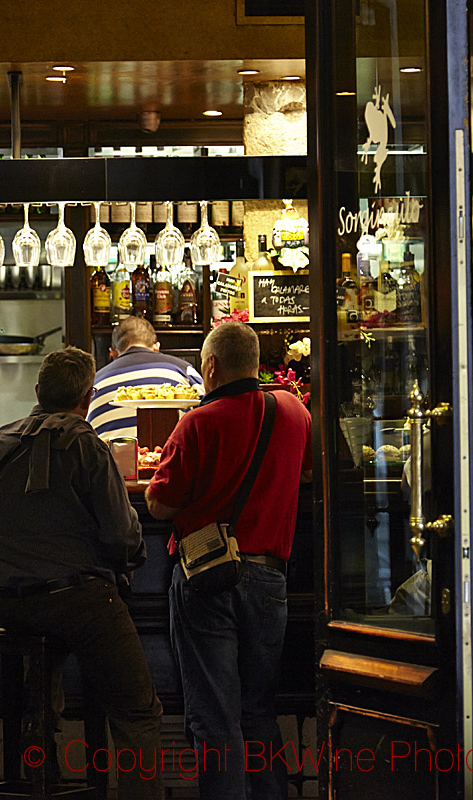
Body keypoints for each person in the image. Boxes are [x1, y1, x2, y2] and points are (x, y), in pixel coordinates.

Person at [0, 347, 163, 800]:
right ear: (88, 397)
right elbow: (122, 536)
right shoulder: (86, 444)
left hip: (6, 600)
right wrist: (130, 562)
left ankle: (40, 763)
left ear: (38, 392)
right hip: (76, 600)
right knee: (138, 710)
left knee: (45, 661)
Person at [145, 321, 311, 800]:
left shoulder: (196, 422)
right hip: (271, 580)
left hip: (208, 580)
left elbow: (159, 505)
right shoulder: (294, 411)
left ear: (211, 366)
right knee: (259, 711)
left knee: (215, 716)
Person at [87, 316, 204, 441]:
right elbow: (208, 413)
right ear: (156, 347)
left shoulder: (94, 382)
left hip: (111, 457)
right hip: (175, 455)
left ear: (113, 353)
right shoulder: (185, 370)